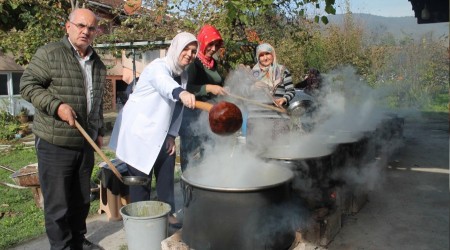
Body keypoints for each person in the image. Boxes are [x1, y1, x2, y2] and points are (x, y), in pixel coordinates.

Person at [20, 8, 105, 250]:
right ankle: (62, 247)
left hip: (84, 142)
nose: (85, 31)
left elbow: (96, 101)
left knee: (81, 200)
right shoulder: (50, 54)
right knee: (58, 204)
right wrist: (57, 106)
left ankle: (78, 241)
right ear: (68, 26)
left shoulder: (97, 63)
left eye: (91, 28)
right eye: (80, 25)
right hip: (54, 142)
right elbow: (27, 85)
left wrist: (98, 131)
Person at [108, 32, 198, 228]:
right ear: (175, 47)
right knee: (141, 181)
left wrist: (172, 135)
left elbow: (178, 108)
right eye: (186, 49)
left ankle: (168, 213)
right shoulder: (158, 67)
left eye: (193, 51)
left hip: (162, 132)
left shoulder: (183, 73)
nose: (189, 54)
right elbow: (164, 85)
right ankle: (142, 221)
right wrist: (180, 92)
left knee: (166, 174)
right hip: (140, 133)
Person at [179, 24, 227, 172]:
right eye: (210, 44)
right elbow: (184, 89)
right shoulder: (194, 63)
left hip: (210, 117)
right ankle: (189, 188)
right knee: (192, 158)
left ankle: (208, 187)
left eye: (216, 45)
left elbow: (217, 82)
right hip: (192, 118)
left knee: (210, 155)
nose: (213, 49)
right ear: (203, 42)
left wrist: (225, 88)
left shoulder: (213, 64)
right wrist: (208, 88)